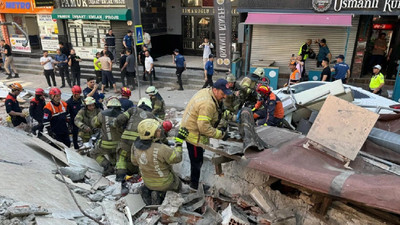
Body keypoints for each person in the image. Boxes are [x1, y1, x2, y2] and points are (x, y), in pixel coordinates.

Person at [180, 79, 231, 189]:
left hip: (195, 131)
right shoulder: (207, 104)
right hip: (193, 136)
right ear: (215, 90)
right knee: (196, 162)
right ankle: (194, 187)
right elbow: (203, 127)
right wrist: (220, 135)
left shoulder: (209, 93)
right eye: (223, 94)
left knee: (198, 160)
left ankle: (195, 182)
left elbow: (218, 111)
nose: (224, 97)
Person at [132, 119, 183, 205]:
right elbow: (177, 158)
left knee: (151, 182)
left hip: (147, 181)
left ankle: (148, 190)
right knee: (178, 184)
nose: (160, 130)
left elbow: (134, 162)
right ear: (151, 134)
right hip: (165, 183)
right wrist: (179, 144)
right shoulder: (162, 148)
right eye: (157, 130)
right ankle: (161, 194)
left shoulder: (135, 146)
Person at [113, 99, 156, 181]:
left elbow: (119, 120)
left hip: (125, 141)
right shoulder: (151, 116)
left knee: (122, 156)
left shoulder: (132, 110)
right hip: (139, 143)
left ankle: (120, 177)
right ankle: (141, 179)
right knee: (141, 160)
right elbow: (158, 131)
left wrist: (117, 127)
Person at [91, 98, 124, 175]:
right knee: (114, 155)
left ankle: (107, 166)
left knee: (93, 153)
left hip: (105, 144)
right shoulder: (123, 115)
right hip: (119, 144)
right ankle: (116, 169)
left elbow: (94, 124)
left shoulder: (102, 114)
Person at [66, 85, 84, 150]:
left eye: (79, 94)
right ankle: (75, 145)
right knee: (75, 133)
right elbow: (67, 113)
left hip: (83, 119)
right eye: (77, 94)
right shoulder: (69, 103)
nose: (79, 95)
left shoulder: (82, 100)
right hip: (74, 120)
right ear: (74, 94)